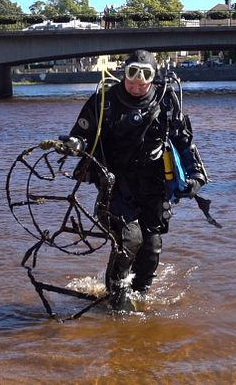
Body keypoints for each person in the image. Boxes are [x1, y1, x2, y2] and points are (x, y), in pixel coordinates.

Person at [62, 49, 208, 310]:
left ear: (152, 78)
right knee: (130, 239)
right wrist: (74, 144)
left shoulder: (166, 100)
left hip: (154, 183)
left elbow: (183, 140)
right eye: (131, 79)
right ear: (124, 73)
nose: (136, 85)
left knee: (151, 246)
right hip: (115, 184)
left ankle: (140, 293)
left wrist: (196, 173)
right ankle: (117, 298)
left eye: (143, 81)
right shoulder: (103, 101)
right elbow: (81, 135)